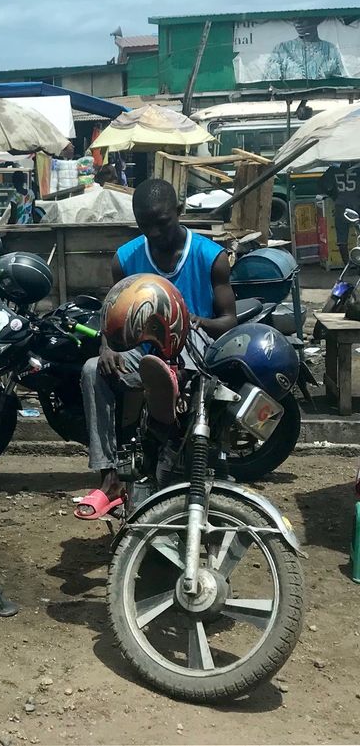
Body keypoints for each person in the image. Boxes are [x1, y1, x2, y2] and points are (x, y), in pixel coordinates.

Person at [75, 178, 237, 519]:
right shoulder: (126, 259)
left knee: (181, 351)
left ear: (179, 211)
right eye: (144, 226)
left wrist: (197, 321)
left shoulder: (211, 257)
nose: (154, 233)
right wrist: (106, 347)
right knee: (92, 369)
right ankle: (109, 476)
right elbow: (113, 316)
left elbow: (229, 320)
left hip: (193, 346)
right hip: (141, 351)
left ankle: (165, 419)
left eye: (161, 223)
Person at [321, 162, 360, 263]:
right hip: (357, 205)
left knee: (342, 238)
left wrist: (334, 196)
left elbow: (322, 184)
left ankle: (346, 264)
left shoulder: (333, 170)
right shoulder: (358, 169)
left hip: (340, 206)